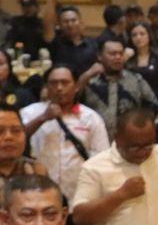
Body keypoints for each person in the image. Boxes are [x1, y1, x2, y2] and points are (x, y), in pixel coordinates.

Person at [21, 65, 109, 202]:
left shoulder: (91, 118)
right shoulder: (29, 113)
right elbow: (17, 139)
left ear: (76, 86)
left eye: (65, 82)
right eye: (53, 83)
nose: (59, 88)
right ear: (46, 87)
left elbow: (102, 157)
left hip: (80, 195)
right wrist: (42, 118)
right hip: (38, 193)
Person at [78, 38, 158, 131]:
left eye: (121, 53)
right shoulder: (89, 80)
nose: (118, 57)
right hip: (94, 134)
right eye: (113, 54)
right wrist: (86, 76)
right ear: (99, 56)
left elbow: (154, 106)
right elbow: (71, 102)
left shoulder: (136, 80)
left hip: (128, 135)